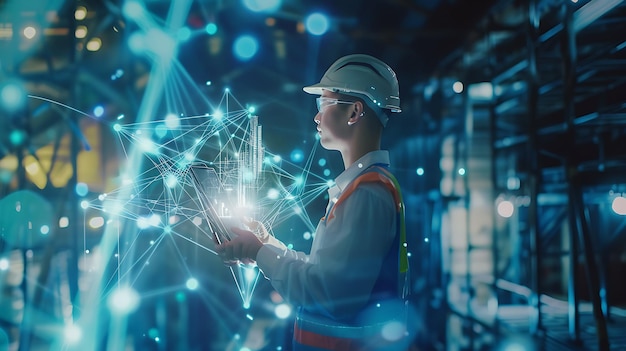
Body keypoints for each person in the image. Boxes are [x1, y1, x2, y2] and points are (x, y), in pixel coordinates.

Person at [216, 54, 412, 351]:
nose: (316, 117)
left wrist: (259, 253)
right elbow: (326, 275)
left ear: (354, 111)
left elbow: (329, 296)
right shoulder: (363, 188)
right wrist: (267, 244)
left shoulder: (366, 194)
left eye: (323, 104)